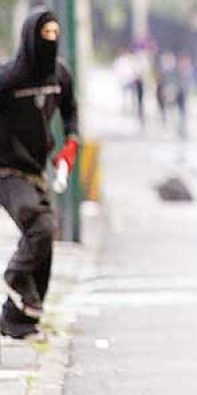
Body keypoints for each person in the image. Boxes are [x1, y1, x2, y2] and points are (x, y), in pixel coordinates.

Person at [0, 8, 79, 340]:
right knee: (39, 223)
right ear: (31, 37)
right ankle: (16, 276)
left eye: (55, 34)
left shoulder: (59, 76)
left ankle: (19, 318)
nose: (51, 41)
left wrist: (70, 144)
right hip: (6, 171)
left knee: (46, 242)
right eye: (44, 35)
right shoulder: (8, 79)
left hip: (36, 169)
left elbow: (70, 112)